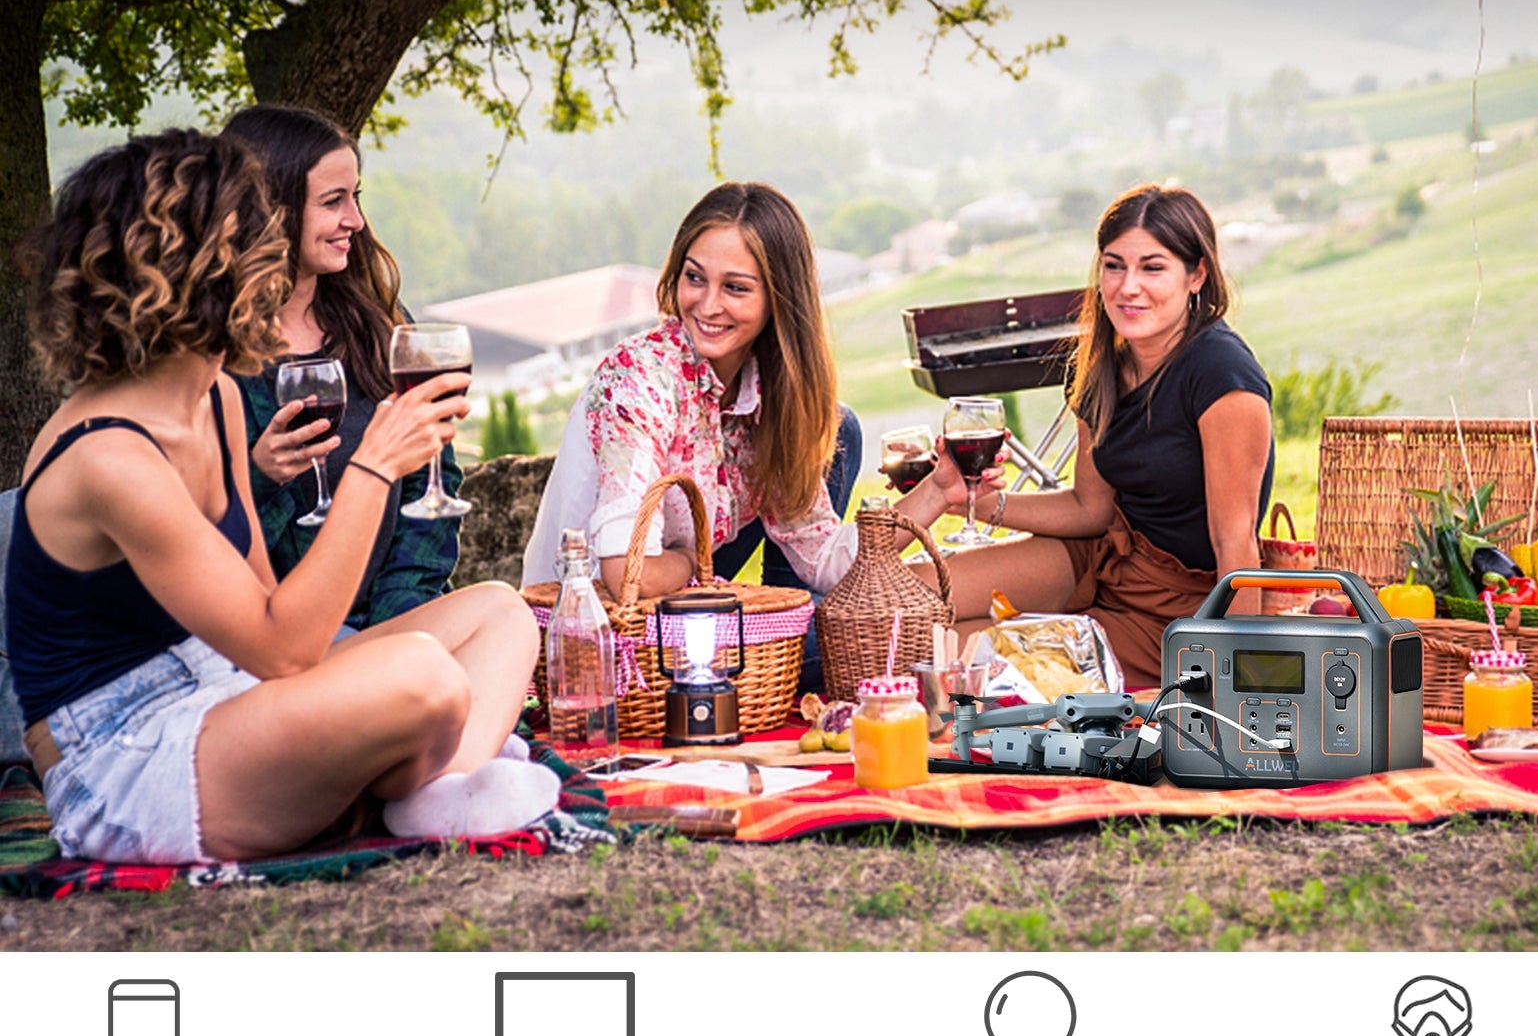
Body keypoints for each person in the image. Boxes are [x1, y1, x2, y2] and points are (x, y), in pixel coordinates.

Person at [6, 130, 548, 866]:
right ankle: (430, 785)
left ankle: (431, 787)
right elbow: (286, 653)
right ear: (208, 270)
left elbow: (270, 613)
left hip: (226, 687)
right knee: (424, 675)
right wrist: (376, 467)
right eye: (263, 244)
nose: (284, 267)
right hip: (129, 757)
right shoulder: (110, 455)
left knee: (499, 612)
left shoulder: (217, 399)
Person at [896, 183, 1275, 688]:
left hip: (1175, 605)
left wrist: (1236, 680)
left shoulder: (1222, 377)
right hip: (1098, 556)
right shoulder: (1104, 367)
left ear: (1196, 274)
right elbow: (1089, 509)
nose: (1127, 286)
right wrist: (975, 501)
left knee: (960, 662)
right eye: (1114, 265)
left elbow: (1235, 542)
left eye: (1152, 267)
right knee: (906, 610)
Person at [522, 181, 862, 603]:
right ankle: (789, 636)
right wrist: (688, 559)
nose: (707, 304)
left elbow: (827, 558)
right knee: (858, 632)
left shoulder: (767, 388)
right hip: (603, 620)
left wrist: (939, 490)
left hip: (685, 597)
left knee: (835, 426)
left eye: (735, 287)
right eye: (695, 278)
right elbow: (630, 576)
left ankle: (787, 619)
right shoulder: (642, 377)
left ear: (779, 298)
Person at [221, 104, 462, 632]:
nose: (354, 219)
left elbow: (433, 487)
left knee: (505, 612)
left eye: (356, 197)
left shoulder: (382, 325)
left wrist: (394, 620)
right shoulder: (212, 360)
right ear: (271, 210)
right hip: (281, 636)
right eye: (333, 202)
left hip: (394, 620)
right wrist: (260, 477)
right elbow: (202, 547)